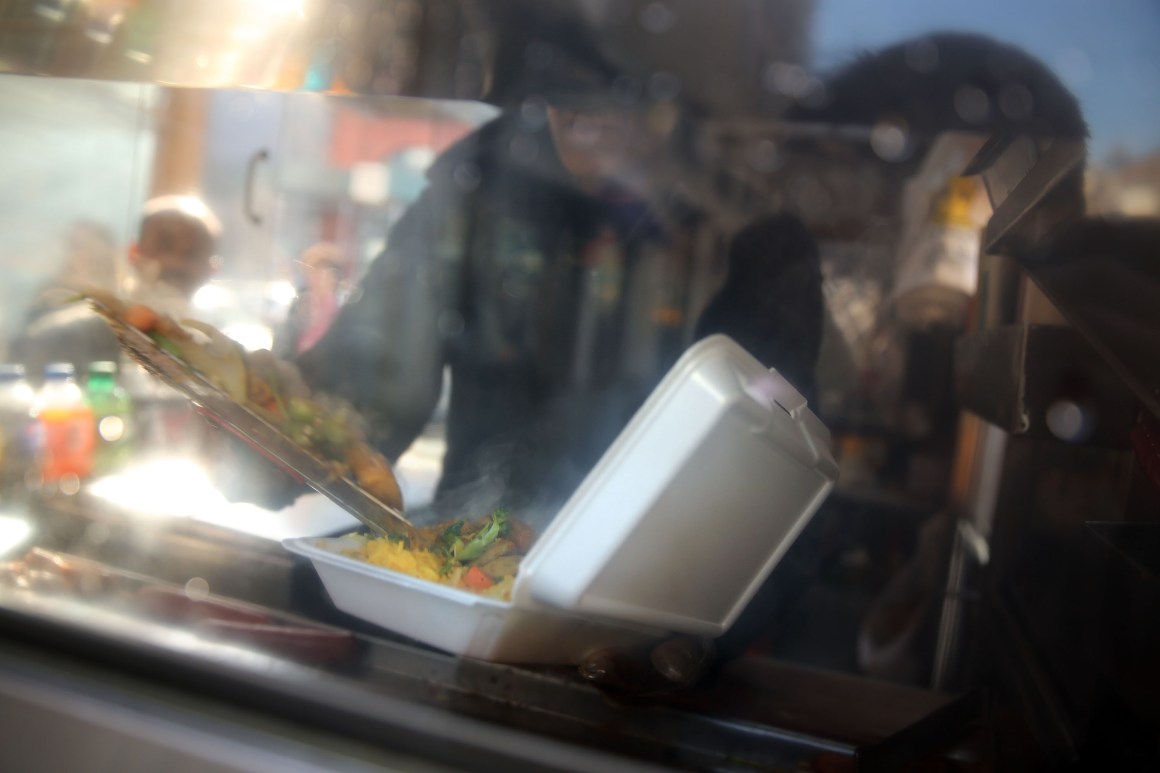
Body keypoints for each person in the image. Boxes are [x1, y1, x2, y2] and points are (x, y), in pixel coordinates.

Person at [10, 194, 221, 383]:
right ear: (133, 252)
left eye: (192, 253)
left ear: (213, 268)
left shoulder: (216, 360)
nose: (174, 263)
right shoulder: (60, 339)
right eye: (164, 245)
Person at [273, 242, 350, 359]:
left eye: (322, 272)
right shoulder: (298, 307)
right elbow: (283, 344)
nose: (316, 279)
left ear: (335, 277)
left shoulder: (342, 313)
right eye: (312, 272)